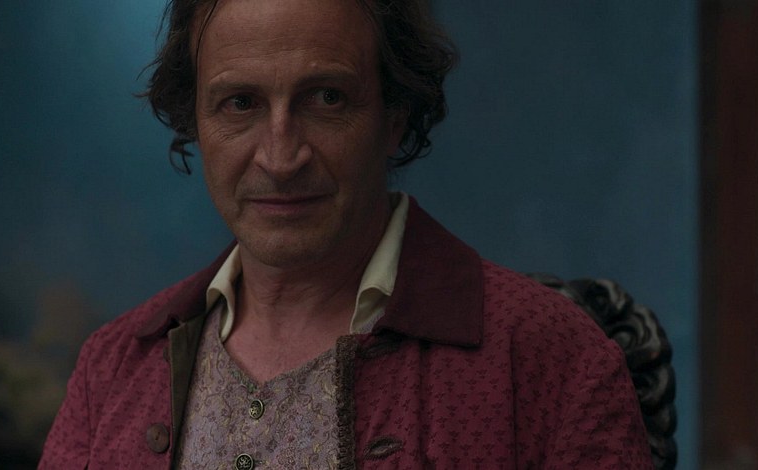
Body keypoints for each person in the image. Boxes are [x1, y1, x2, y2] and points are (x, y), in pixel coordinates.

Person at [40, 0, 653, 468]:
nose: (281, 158)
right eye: (241, 103)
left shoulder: (550, 359)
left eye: (327, 98)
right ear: (195, 122)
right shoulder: (113, 368)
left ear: (395, 116)